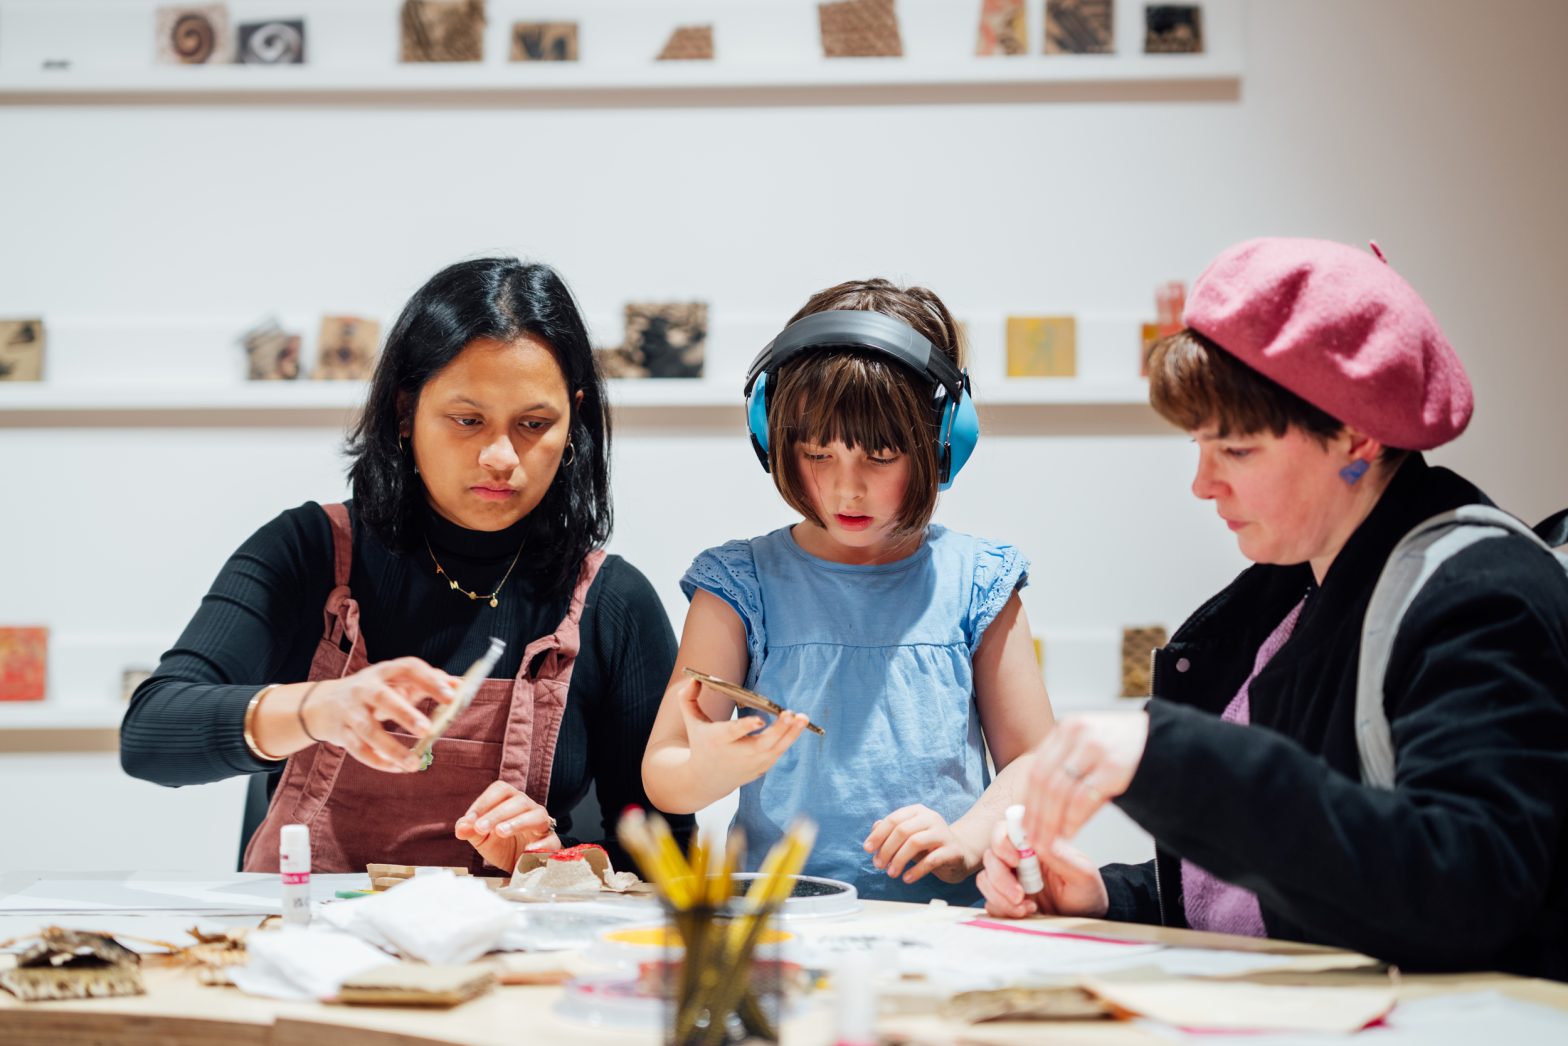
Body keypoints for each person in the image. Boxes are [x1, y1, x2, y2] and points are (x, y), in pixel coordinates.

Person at [976, 238, 1568, 979]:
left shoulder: (1479, 594)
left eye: (1238, 451)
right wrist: (1105, 896)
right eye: (1198, 445)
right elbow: (1289, 883)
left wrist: (1173, 756)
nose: (1202, 484)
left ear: (1355, 436)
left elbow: (1461, 889)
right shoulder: (1295, 593)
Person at [121, 258, 692, 873]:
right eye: (467, 420)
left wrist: (560, 862)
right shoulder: (310, 550)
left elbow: (665, 857)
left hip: (508, 957)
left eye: (534, 424)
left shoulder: (610, 600)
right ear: (404, 412)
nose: (501, 456)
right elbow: (150, 737)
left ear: (573, 421)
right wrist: (317, 710)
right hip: (312, 951)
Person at [641, 279, 1055, 904]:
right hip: (775, 924)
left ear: (943, 440)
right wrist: (707, 769)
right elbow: (664, 770)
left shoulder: (980, 582)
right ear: (772, 437)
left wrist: (969, 837)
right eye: (818, 454)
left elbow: (1036, 763)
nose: (846, 490)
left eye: (881, 457)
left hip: (945, 925)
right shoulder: (737, 584)